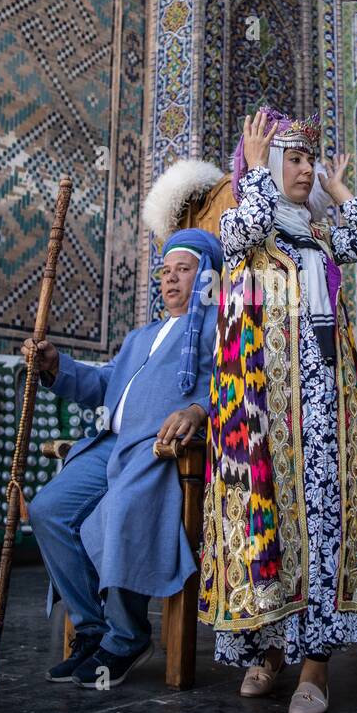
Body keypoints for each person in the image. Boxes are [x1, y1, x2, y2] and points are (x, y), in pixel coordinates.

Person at [199, 107, 357, 713]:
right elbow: (244, 226)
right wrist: (254, 170)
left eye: (311, 159)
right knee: (273, 522)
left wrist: (338, 190)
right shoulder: (245, 228)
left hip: (327, 408)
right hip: (266, 411)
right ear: (263, 164)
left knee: (326, 525)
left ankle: (316, 667)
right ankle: (271, 650)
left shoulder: (319, 235)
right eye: (296, 159)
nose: (306, 170)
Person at [22, 229, 222, 689]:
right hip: (108, 445)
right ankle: (91, 630)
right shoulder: (140, 336)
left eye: (183, 270)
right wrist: (56, 365)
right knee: (48, 510)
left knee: (120, 511)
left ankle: (127, 636)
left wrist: (198, 410)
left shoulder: (219, 328)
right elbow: (101, 386)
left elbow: (236, 388)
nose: (170, 281)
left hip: (160, 450)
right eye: (165, 272)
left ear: (207, 276)